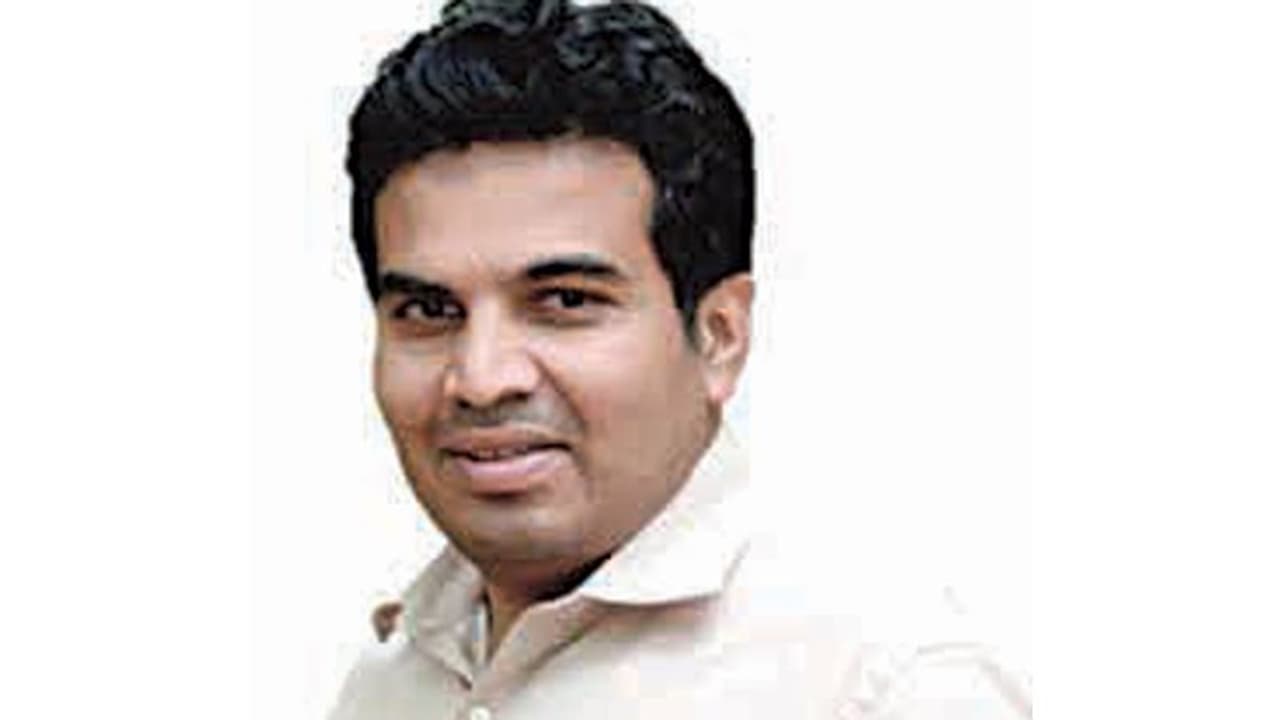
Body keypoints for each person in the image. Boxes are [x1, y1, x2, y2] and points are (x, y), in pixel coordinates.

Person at [330, 1, 1031, 717]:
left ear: (720, 336)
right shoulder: (392, 681)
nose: (481, 379)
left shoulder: (884, 685)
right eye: (429, 311)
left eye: (565, 301)